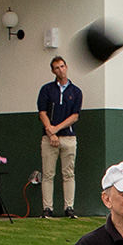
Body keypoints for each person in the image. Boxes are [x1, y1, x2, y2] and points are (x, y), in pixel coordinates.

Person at [37, 56, 82, 219]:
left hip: (68, 137)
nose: (60, 70)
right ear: (52, 71)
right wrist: (51, 132)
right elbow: (42, 112)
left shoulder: (75, 91)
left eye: (62, 66)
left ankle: (69, 207)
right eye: (56, 68)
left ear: (66, 67)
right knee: (48, 174)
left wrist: (57, 129)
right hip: (49, 138)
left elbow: (75, 116)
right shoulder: (46, 90)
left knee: (68, 173)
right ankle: (47, 208)